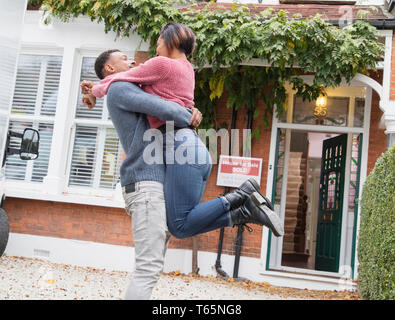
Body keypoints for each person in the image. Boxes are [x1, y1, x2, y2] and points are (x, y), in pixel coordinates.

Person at [82, 22, 284, 240]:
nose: (156, 48)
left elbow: (120, 80)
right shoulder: (187, 69)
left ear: (172, 41)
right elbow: (162, 97)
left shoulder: (161, 64)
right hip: (194, 150)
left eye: (159, 42)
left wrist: (94, 90)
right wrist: (189, 113)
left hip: (180, 146)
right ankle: (244, 211)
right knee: (183, 224)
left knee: (179, 224)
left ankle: (242, 194)